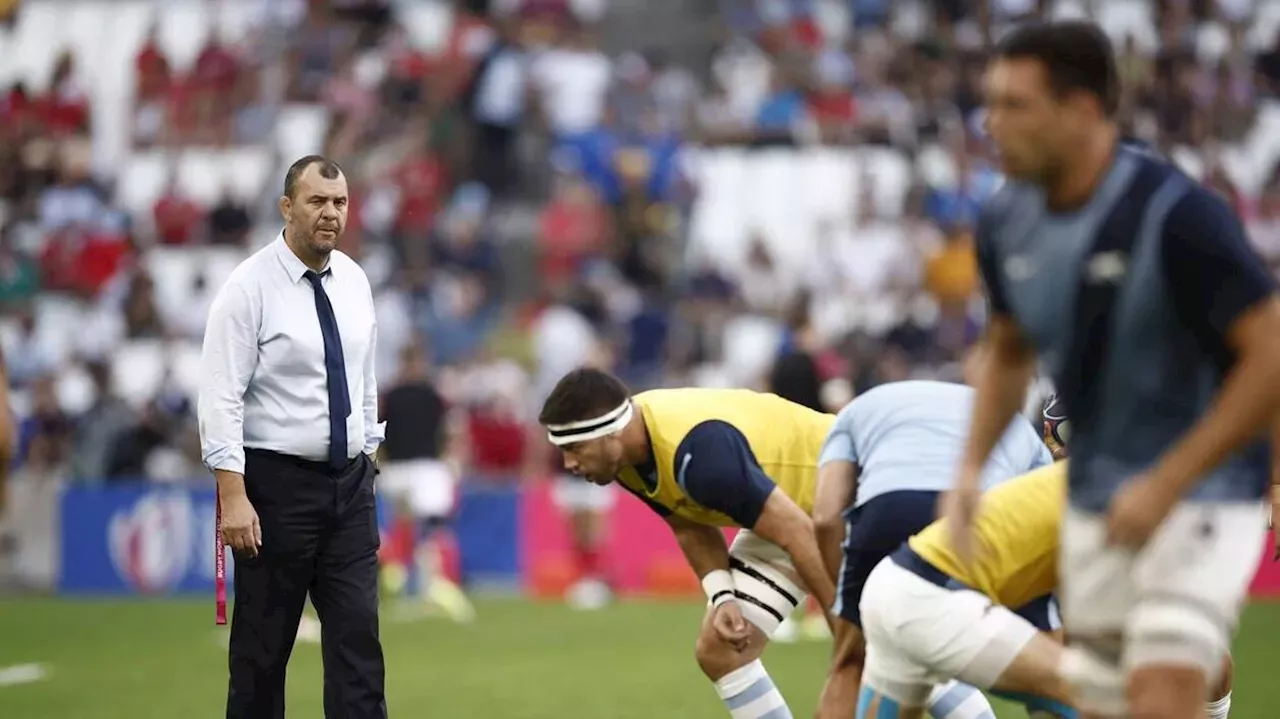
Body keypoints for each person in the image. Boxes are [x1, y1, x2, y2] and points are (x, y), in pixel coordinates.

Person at [948, 21, 1280, 719]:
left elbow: (1270, 354)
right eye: (991, 101)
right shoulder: (1006, 221)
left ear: (1082, 110)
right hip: (1097, 494)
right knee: (1102, 700)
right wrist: (971, 471)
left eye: (1015, 104)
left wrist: (1175, 481)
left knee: (1160, 689)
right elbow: (1009, 351)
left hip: (1205, 492)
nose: (991, 122)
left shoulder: (1176, 215)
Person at [199, 155, 388, 719]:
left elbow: (365, 378)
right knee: (262, 654)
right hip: (277, 489)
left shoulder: (354, 279)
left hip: (350, 488)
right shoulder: (247, 289)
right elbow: (220, 395)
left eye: (340, 203)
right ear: (287, 207)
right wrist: (232, 495)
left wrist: (368, 460)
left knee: (359, 646)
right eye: (317, 202)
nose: (330, 214)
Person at [538, 367, 837, 719]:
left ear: (610, 433)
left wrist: (848, 643)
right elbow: (688, 524)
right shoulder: (628, 452)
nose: (568, 463)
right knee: (721, 650)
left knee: (894, 649)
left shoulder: (698, 453)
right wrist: (722, 594)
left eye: (574, 447)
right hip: (792, 508)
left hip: (854, 487)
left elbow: (799, 534)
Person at [812, 363, 1053, 719]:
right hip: (972, 520)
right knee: (1054, 675)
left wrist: (848, 601)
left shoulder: (858, 409)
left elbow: (824, 516)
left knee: (852, 664)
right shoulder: (1019, 428)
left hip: (886, 510)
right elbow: (1042, 525)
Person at [378, 341, 474, 622]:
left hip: (394, 471)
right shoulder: (433, 396)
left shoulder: (389, 395)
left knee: (403, 526)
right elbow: (449, 431)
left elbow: (379, 433)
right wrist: (451, 460)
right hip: (426, 469)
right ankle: (432, 584)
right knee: (432, 527)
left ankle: (399, 575)